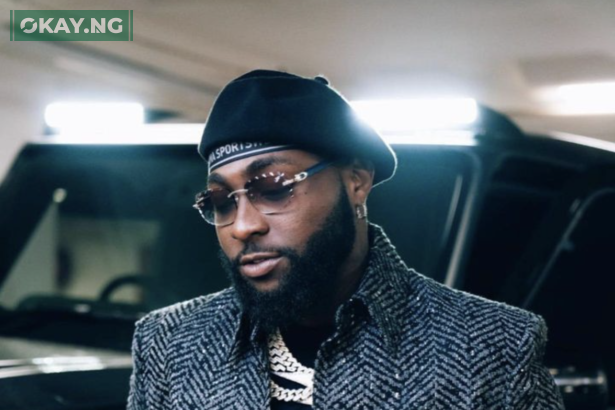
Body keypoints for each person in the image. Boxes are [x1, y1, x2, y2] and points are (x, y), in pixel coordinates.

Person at [127, 70, 564, 409]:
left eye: (274, 187)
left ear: (356, 181)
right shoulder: (168, 341)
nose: (242, 227)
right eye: (222, 202)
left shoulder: (495, 345)